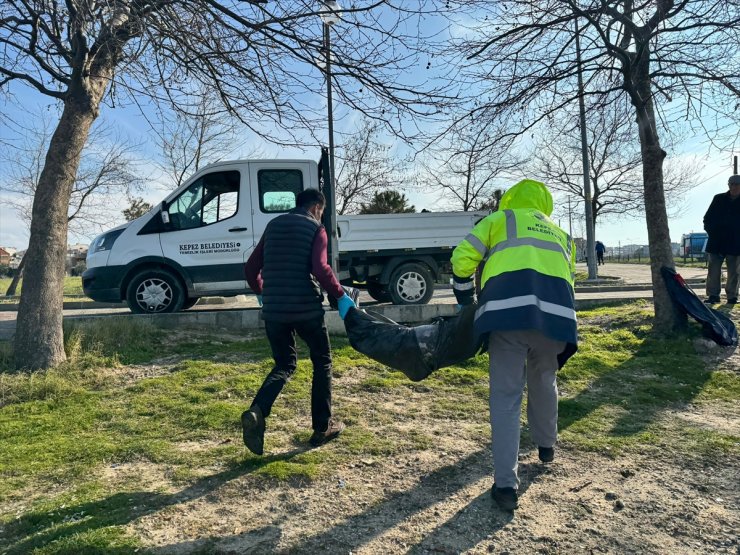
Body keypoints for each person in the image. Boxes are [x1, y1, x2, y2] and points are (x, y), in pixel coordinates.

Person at [451, 179, 577, 512]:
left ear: (509, 200)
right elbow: (569, 278)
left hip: (507, 317)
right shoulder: (562, 235)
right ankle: (547, 446)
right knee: (544, 382)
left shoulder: (498, 221)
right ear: (544, 204)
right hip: (555, 321)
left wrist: (465, 298)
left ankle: (506, 486)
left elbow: (462, 258)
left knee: (506, 397)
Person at [241, 189, 356, 455]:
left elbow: (250, 269)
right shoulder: (317, 229)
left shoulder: (273, 225)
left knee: (284, 364)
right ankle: (322, 427)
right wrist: (340, 295)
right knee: (322, 361)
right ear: (317, 207)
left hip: (274, 311)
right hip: (306, 310)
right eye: (322, 212)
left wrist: (262, 293)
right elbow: (320, 267)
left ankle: (257, 410)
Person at [703, 175, 740, 305]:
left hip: (736, 243)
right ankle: (713, 295)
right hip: (716, 242)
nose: (735, 187)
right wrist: (713, 233)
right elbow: (707, 219)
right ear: (728, 185)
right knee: (713, 271)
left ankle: (732, 296)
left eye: (738, 184)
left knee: (734, 272)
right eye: (733, 184)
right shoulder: (718, 199)